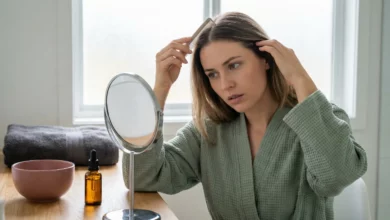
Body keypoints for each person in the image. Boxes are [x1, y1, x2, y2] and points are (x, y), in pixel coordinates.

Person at [122, 12, 367, 220]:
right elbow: (142, 176)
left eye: (234, 65)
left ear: (266, 60)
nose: (225, 84)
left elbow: (337, 177)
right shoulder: (210, 129)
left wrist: (300, 79)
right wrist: (159, 90)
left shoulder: (320, 120)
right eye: (213, 74)